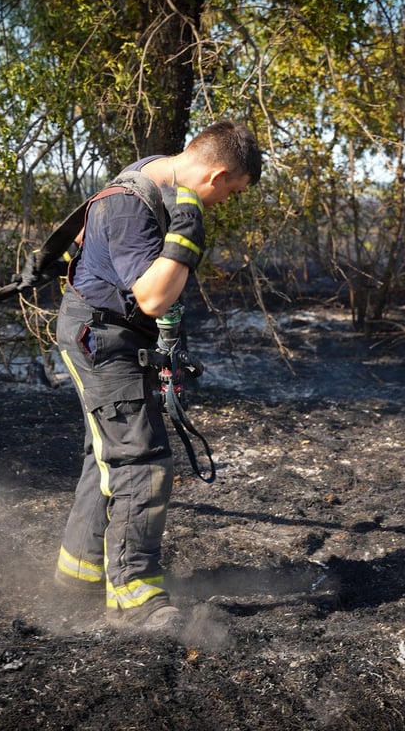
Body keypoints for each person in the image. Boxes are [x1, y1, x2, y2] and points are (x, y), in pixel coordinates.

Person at [53, 121, 263, 633]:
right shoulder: (131, 203)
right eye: (230, 193)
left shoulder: (155, 176)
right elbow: (151, 296)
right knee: (140, 460)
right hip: (101, 340)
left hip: (113, 335)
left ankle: (80, 574)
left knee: (106, 456)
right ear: (214, 176)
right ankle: (134, 599)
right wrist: (187, 235)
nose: (224, 204)